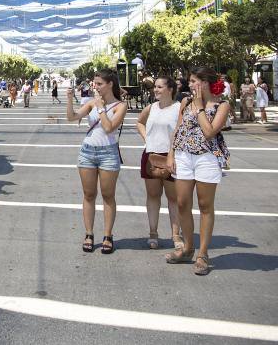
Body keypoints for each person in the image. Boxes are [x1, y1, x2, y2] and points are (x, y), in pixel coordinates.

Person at [165, 66, 230, 275]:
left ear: (206, 82)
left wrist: (201, 108)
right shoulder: (185, 102)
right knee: (182, 202)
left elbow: (210, 132)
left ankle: (202, 253)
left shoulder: (222, 105)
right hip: (183, 156)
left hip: (207, 157)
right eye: (190, 81)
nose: (190, 85)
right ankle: (188, 248)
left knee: (204, 205)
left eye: (194, 81)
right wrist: (171, 154)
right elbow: (178, 129)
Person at [65, 70, 127, 254]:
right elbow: (72, 117)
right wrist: (70, 99)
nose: (95, 87)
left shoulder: (120, 106)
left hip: (108, 153)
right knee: (89, 194)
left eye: (99, 83)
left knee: (108, 196)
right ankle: (89, 233)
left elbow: (109, 128)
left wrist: (100, 107)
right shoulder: (91, 103)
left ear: (110, 84)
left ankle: (108, 235)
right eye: (95, 83)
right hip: (87, 151)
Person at [136, 76, 183, 250]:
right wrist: (147, 139)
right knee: (153, 196)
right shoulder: (151, 107)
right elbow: (139, 123)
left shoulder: (179, 108)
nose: (155, 89)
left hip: (172, 157)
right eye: (155, 87)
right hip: (151, 155)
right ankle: (153, 233)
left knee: (173, 198)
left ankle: (176, 235)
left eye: (160, 87)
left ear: (170, 89)